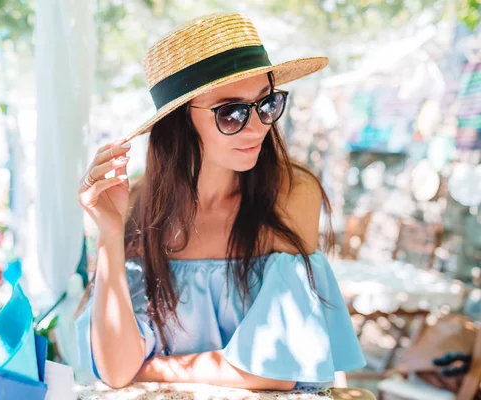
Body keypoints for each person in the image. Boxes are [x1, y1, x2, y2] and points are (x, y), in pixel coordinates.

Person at [75, 12, 366, 391]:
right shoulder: (135, 206)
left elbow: (273, 370)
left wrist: (148, 368)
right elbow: (115, 369)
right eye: (231, 113)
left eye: (267, 103)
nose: (259, 126)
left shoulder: (290, 195)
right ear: (179, 121)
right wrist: (109, 235)